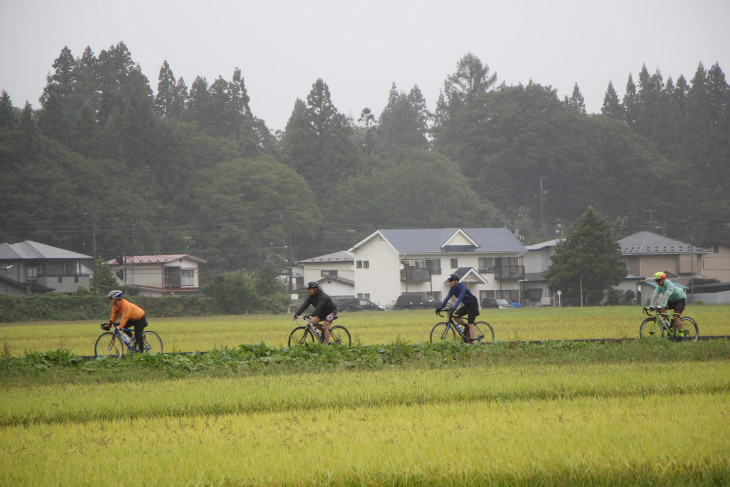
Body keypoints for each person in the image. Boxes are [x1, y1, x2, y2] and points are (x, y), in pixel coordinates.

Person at [436, 273, 480, 341]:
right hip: (466, 305)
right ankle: (466, 326)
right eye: (449, 280)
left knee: (471, 323)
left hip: (473, 304)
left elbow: (460, 299)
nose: (450, 282)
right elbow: (447, 298)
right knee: (455, 316)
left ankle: (472, 342)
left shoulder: (462, 288)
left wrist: (453, 308)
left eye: (451, 280)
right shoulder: (452, 289)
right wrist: (439, 308)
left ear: (456, 281)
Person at [646, 271, 687, 335]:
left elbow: (666, 295)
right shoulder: (659, 287)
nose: (657, 282)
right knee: (659, 309)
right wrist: (652, 306)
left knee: (676, 316)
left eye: (659, 280)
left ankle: (681, 333)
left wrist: (662, 305)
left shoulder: (669, 284)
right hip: (671, 301)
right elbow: (655, 296)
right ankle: (667, 324)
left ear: (663, 279)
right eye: (656, 281)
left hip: (680, 300)